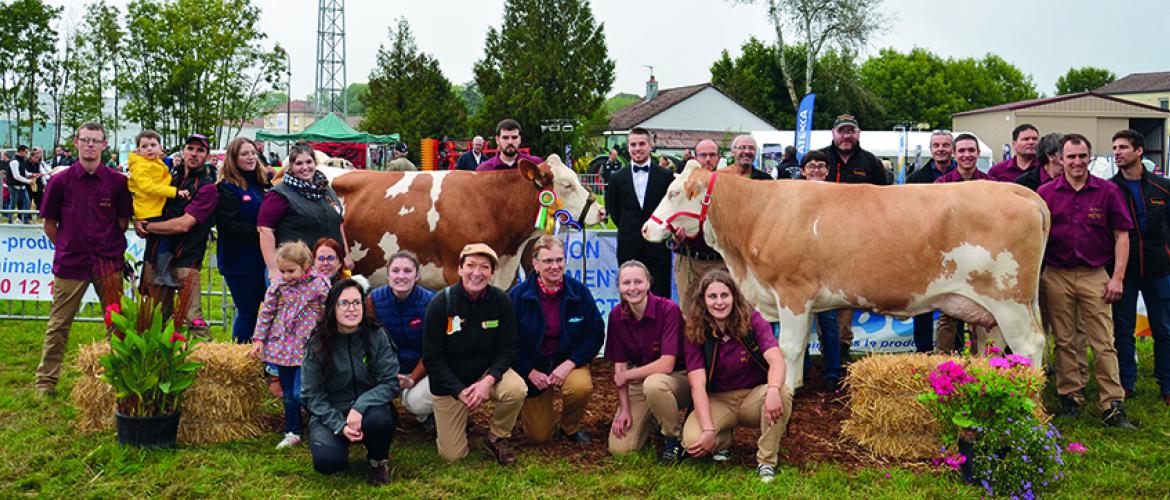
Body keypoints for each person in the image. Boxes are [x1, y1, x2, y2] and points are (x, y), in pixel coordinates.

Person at [1037, 133, 1136, 429]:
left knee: (1104, 341)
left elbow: (1122, 235)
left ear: (1089, 157)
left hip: (1095, 275)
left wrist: (1117, 278)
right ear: (1059, 159)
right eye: (1071, 157)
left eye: (1082, 156)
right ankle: (1071, 396)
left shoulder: (1107, 192)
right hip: (1056, 275)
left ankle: (1111, 404)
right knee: (1065, 341)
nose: (1077, 162)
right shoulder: (1045, 193)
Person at [33, 123, 132, 398]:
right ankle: (45, 383)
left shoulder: (117, 182)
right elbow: (50, 224)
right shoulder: (60, 182)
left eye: (95, 141)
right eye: (85, 140)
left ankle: (122, 379)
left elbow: (122, 222)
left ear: (104, 145)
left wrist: (105, 244)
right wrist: (67, 245)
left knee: (118, 325)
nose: (90, 145)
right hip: (71, 264)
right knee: (59, 324)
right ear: (76, 142)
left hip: (108, 263)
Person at [681, 269, 793, 482]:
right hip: (719, 400)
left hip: (752, 397)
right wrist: (707, 430)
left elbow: (777, 360)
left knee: (782, 392)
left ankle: (766, 462)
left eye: (725, 295)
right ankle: (723, 440)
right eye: (712, 296)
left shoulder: (753, 321)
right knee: (692, 441)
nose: (719, 302)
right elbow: (697, 385)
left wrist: (772, 390)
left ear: (734, 297)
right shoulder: (695, 330)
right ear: (703, 301)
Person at [423, 243, 527, 464]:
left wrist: (488, 381)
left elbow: (508, 348)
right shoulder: (440, 303)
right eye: (470, 265)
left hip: (485, 373)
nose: (477, 273)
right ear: (460, 269)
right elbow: (433, 358)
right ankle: (458, 422)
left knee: (516, 389)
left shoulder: (502, 301)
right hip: (450, 383)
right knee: (452, 456)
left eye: (484, 267)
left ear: (492, 273)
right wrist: (458, 391)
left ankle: (495, 438)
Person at [301, 278, 401, 485]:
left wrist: (360, 406)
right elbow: (311, 394)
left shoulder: (376, 335)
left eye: (356, 303)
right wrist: (339, 425)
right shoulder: (318, 342)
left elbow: (390, 382)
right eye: (344, 303)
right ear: (332, 307)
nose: (351, 309)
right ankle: (340, 443)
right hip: (332, 412)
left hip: (369, 409)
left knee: (380, 420)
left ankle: (378, 461)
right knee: (328, 462)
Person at [509, 236, 605, 444]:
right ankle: (528, 411)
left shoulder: (578, 292)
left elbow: (595, 333)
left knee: (580, 387)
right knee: (540, 435)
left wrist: (570, 363)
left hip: (567, 363)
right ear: (535, 264)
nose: (555, 266)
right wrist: (529, 371)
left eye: (559, 260)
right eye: (548, 261)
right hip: (534, 369)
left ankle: (569, 427)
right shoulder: (518, 296)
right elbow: (508, 343)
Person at [605, 260, 691, 463]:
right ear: (619, 286)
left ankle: (673, 439)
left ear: (649, 284)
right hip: (640, 381)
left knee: (654, 385)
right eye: (626, 283)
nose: (632, 288)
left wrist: (626, 375)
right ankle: (654, 416)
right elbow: (620, 365)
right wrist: (624, 408)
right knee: (621, 449)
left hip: (677, 379)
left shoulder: (668, 310)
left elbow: (666, 364)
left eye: (638, 282)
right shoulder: (616, 316)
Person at [135, 134, 219, 339]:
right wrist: (137, 218)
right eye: (191, 148)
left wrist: (149, 226)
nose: (194, 154)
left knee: (193, 319)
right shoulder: (167, 177)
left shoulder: (207, 188)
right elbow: (143, 195)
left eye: (200, 150)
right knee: (153, 321)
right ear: (183, 151)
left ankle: (206, 363)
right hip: (155, 257)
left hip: (185, 260)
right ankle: (157, 367)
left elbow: (183, 225)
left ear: (207, 156)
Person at [1109, 129, 1170, 406]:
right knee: (1123, 330)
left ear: (1139, 151)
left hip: (1159, 269)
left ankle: (1166, 384)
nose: (1117, 152)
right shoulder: (1110, 189)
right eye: (1115, 147)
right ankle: (1126, 383)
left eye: (1123, 147)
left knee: (1164, 329)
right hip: (1126, 271)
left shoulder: (1162, 187)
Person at [820, 114, 888, 361]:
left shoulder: (870, 162)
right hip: (821, 241)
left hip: (857, 242)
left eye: (851, 131)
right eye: (842, 131)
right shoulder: (820, 159)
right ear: (833, 133)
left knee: (845, 296)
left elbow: (885, 200)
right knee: (821, 299)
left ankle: (842, 349)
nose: (846, 136)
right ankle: (826, 352)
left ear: (858, 134)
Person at [250, 241, 331, 449]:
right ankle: (292, 430)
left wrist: (327, 337)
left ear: (305, 266)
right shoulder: (278, 286)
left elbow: (328, 312)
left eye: (291, 271)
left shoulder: (319, 284)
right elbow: (266, 312)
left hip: (308, 346)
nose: (286, 276)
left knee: (300, 391)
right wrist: (259, 339)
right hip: (283, 346)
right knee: (288, 394)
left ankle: (321, 421)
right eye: (282, 271)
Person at [258, 143, 350, 280]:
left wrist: (346, 255)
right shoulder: (279, 194)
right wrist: (273, 268)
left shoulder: (326, 189)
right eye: (299, 163)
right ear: (291, 167)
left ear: (315, 163)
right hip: (296, 272)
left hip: (330, 268)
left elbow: (339, 222)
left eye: (309, 162)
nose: (305, 167)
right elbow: (265, 230)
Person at [368, 251, 437, 427]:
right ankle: (385, 409)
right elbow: (369, 344)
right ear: (388, 273)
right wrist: (387, 374)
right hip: (388, 369)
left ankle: (429, 414)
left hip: (422, 370)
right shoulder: (373, 300)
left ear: (417, 275)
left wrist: (413, 378)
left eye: (407, 271)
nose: (401, 276)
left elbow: (433, 350)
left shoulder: (431, 302)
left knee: (416, 403)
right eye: (395, 271)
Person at [793, 151, 844, 389]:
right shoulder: (793, 198)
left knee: (830, 323)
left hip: (829, 270)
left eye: (821, 166)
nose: (816, 171)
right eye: (811, 166)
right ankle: (800, 373)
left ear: (828, 171)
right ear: (802, 171)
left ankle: (832, 373)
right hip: (798, 269)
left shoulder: (838, 196)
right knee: (798, 324)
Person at [216, 137, 274, 343]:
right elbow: (227, 225)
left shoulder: (263, 184)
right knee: (248, 311)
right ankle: (241, 358)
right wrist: (263, 231)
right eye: (244, 154)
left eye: (253, 153)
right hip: (239, 261)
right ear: (233, 158)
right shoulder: (227, 188)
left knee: (267, 312)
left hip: (264, 259)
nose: (250, 158)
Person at [605, 127, 673, 298]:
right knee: (630, 296)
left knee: (660, 297)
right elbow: (614, 210)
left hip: (658, 248)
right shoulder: (617, 178)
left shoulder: (665, 176)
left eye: (642, 144)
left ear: (650, 146)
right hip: (629, 247)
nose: (637, 148)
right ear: (628, 148)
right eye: (633, 144)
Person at [905, 131, 957, 352]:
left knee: (956, 305)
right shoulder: (916, 178)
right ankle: (923, 351)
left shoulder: (959, 175)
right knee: (923, 304)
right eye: (937, 145)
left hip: (955, 248)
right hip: (925, 249)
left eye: (945, 145)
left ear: (951, 149)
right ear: (931, 149)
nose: (941, 149)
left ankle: (955, 350)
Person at [128, 130, 190, 288]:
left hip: (155, 207)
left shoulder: (155, 162)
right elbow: (148, 187)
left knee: (159, 241)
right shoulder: (141, 166)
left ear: (160, 147)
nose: (149, 149)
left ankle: (159, 273)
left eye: (153, 145)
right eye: (145, 146)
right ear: (138, 150)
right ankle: (161, 274)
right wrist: (175, 192)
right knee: (165, 238)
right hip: (149, 210)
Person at [671, 139, 725, 312]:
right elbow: (668, 218)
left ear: (719, 158)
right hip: (689, 261)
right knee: (689, 314)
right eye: (703, 155)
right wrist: (675, 236)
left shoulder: (727, 186)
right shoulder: (680, 187)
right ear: (695, 158)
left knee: (724, 314)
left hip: (720, 262)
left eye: (712, 155)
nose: (708, 159)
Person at [476, 119, 544, 171]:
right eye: (505, 138)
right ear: (497, 140)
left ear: (520, 139)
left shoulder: (536, 165)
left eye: (514, 137)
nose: (510, 142)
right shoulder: (484, 170)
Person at [7, 145, 31, 222]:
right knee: (13, 205)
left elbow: (24, 172)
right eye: (26, 152)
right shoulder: (14, 161)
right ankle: (10, 221)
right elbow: (16, 176)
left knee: (27, 202)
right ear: (21, 151)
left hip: (22, 186)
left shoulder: (22, 160)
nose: (27, 154)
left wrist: (31, 174)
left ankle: (25, 220)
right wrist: (28, 181)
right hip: (14, 186)